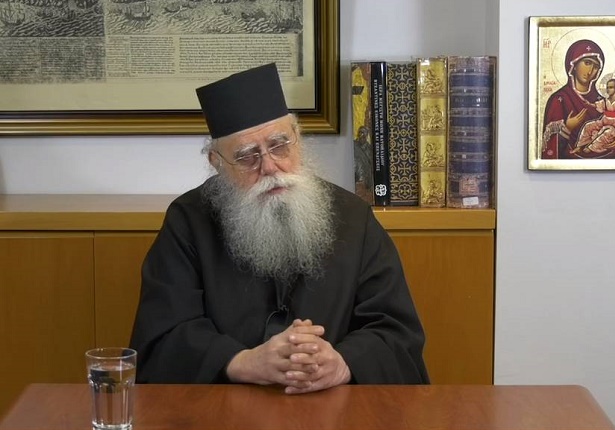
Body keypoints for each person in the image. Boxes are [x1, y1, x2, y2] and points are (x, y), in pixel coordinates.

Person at [129, 63, 430, 394]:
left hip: (332, 404)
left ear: (297, 139)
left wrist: (342, 364)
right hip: (227, 407)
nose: (270, 166)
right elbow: (163, 336)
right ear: (217, 163)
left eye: (279, 145)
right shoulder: (188, 221)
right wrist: (242, 362)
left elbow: (396, 331)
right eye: (247, 157)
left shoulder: (354, 217)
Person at [541, 39, 615, 159]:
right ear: (573, 64)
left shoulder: (602, 101)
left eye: (596, 66)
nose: (590, 71)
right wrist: (568, 128)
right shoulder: (559, 99)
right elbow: (549, 147)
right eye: (587, 63)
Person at [572, 78, 615, 154]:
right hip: (603, 122)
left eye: (610, 87)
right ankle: (580, 146)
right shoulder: (605, 101)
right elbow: (597, 105)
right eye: (607, 87)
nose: (608, 89)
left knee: (607, 132)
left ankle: (591, 148)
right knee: (588, 126)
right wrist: (588, 104)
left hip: (614, 125)